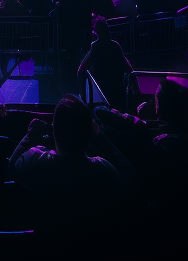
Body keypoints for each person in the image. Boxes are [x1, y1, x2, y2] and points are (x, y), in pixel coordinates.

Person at [8, 95, 126, 249]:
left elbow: (12, 167)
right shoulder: (106, 171)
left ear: (54, 130)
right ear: (89, 133)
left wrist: (29, 136)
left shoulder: (36, 161)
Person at [76, 17, 133, 109]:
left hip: (101, 92)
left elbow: (81, 69)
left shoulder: (95, 46)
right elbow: (128, 68)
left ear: (96, 32)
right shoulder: (115, 46)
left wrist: (83, 92)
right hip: (117, 91)